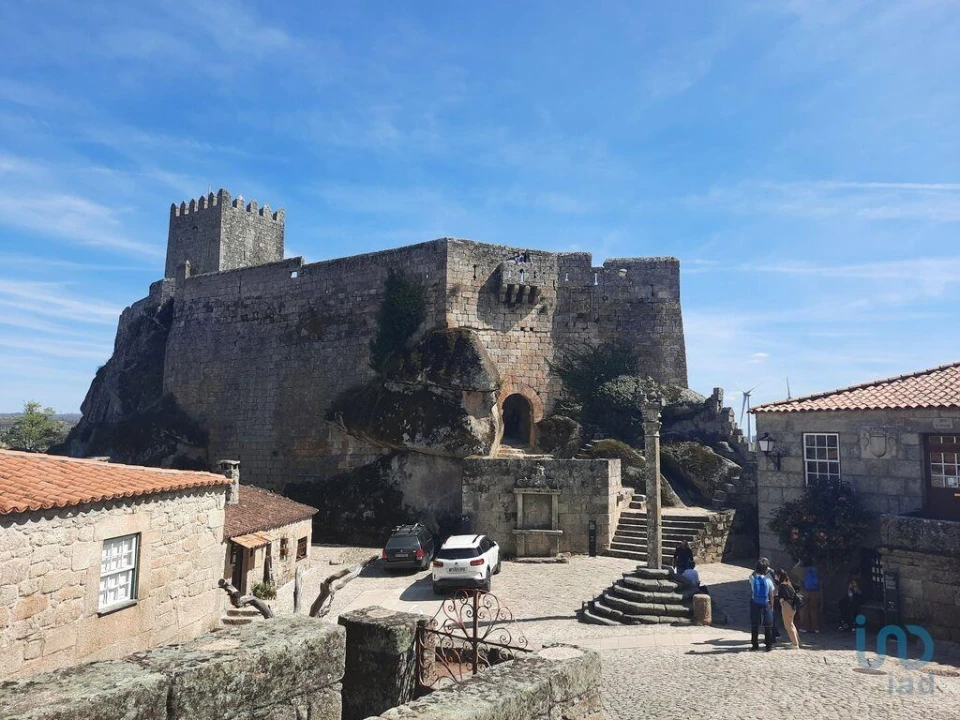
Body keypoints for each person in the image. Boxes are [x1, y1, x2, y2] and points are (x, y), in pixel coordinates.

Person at [749, 559, 776, 651]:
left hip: (755, 602)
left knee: (755, 624)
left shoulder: (752, 578)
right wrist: (772, 606)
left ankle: (754, 645)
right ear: (765, 570)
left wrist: (757, 568)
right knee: (768, 625)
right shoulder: (768, 581)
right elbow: (771, 595)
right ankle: (769, 646)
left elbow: (752, 574)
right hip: (766, 603)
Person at [774, 569, 801, 649]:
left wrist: (779, 599)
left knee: (788, 626)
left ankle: (795, 644)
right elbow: (797, 588)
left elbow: (782, 598)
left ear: (779, 576)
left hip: (786, 606)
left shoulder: (782, 586)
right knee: (792, 624)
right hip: (793, 606)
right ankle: (796, 641)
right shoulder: (789, 583)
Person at [798, 558, 821, 634]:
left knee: (804, 610)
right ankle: (815, 627)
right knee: (814, 610)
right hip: (815, 592)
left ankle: (805, 627)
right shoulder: (816, 570)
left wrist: (799, 562)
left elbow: (793, 570)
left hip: (805, 591)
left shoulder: (802, 570)